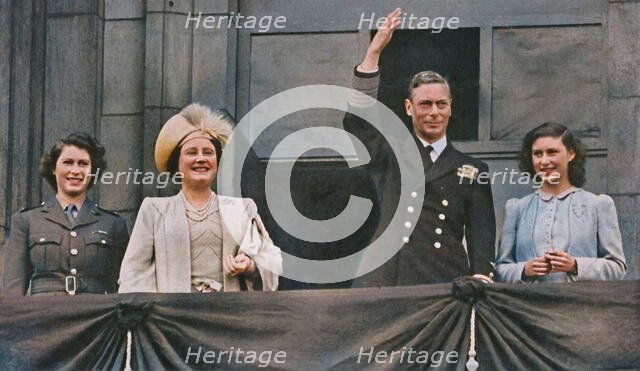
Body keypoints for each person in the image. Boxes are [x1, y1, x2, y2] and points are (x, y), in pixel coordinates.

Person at [345, 8, 496, 287]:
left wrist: (481, 278)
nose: (434, 112)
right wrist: (373, 54)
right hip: (387, 276)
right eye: (425, 104)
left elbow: (482, 233)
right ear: (409, 108)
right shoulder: (389, 153)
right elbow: (359, 123)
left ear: (451, 108)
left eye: (441, 104)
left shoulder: (474, 169)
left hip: (445, 278)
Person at [118, 103, 282, 293]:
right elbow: (134, 273)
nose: (201, 158)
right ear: (177, 164)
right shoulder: (154, 210)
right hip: (173, 318)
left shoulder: (242, 209)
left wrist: (250, 266)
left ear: (217, 162)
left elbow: (270, 260)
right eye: (191, 153)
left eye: (208, 152)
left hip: (228, 315)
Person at [495, 122, 627, 282]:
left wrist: (576, 265)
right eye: (537, 154)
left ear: (571, 154)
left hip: (580, 304)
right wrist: (524, 270)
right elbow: (500, 269)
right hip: (527, 304)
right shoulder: (516, 208)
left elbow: (618, 268)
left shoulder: (599, 204)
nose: (544, 161)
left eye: (552, 152)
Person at [3, 132, 129, 295]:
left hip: (94, 317)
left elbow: (120, 288)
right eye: (68, 162)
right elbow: (13, 289)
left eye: (83, 163)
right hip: (45, 316)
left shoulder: (113, 224)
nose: (75, 170)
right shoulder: (27, 220)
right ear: (54, 168)